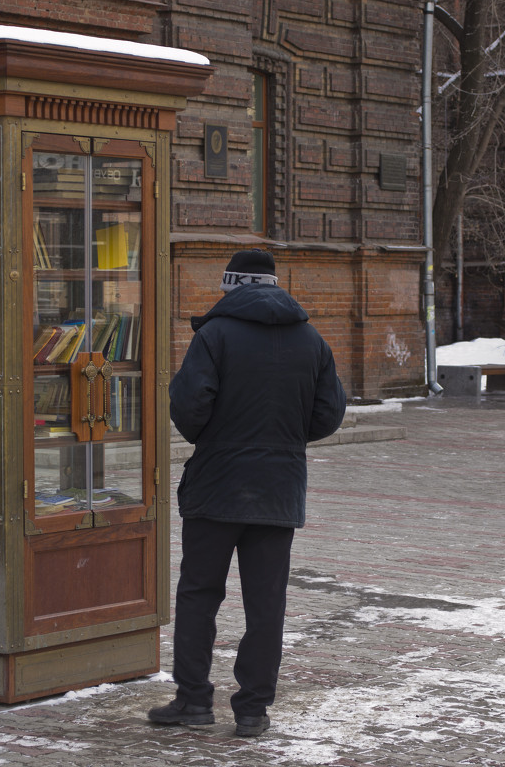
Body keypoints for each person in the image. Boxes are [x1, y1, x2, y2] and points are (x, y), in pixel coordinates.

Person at [148, 249, 346, 737]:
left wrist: (215, 439)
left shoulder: (214, 334)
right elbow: (328, 414)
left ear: (231, 285)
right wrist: (284, 439)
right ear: (274, 284)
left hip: (216, 487)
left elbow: (188, 405)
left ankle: (193, 701)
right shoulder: (311, 339)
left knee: (198, 595)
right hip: (279, 490)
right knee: (266, 605)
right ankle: (253, 709)